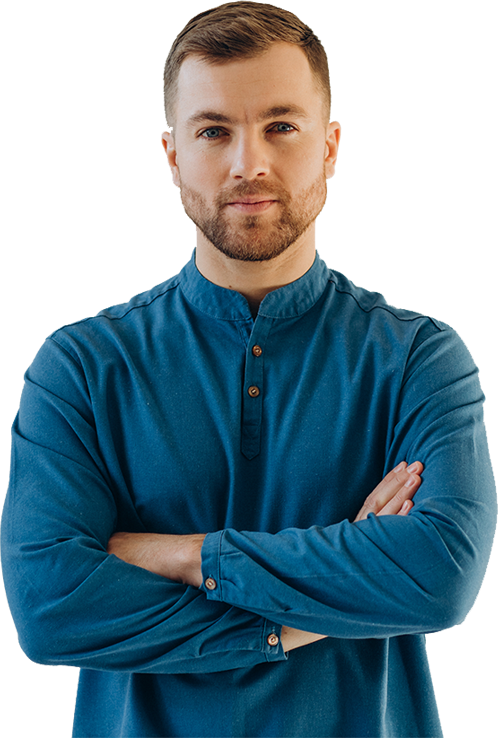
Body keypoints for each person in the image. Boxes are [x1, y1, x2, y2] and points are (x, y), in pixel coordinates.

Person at [1, 3, 496, 737]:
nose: (248, 164)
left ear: (330, 147)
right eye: (213, 131)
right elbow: (50, 608)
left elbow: (439, 576)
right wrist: (305, 615)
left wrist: (183, 555)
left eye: (281, 125)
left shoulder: (419, 359)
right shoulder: (82, 367)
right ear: (172, 154)